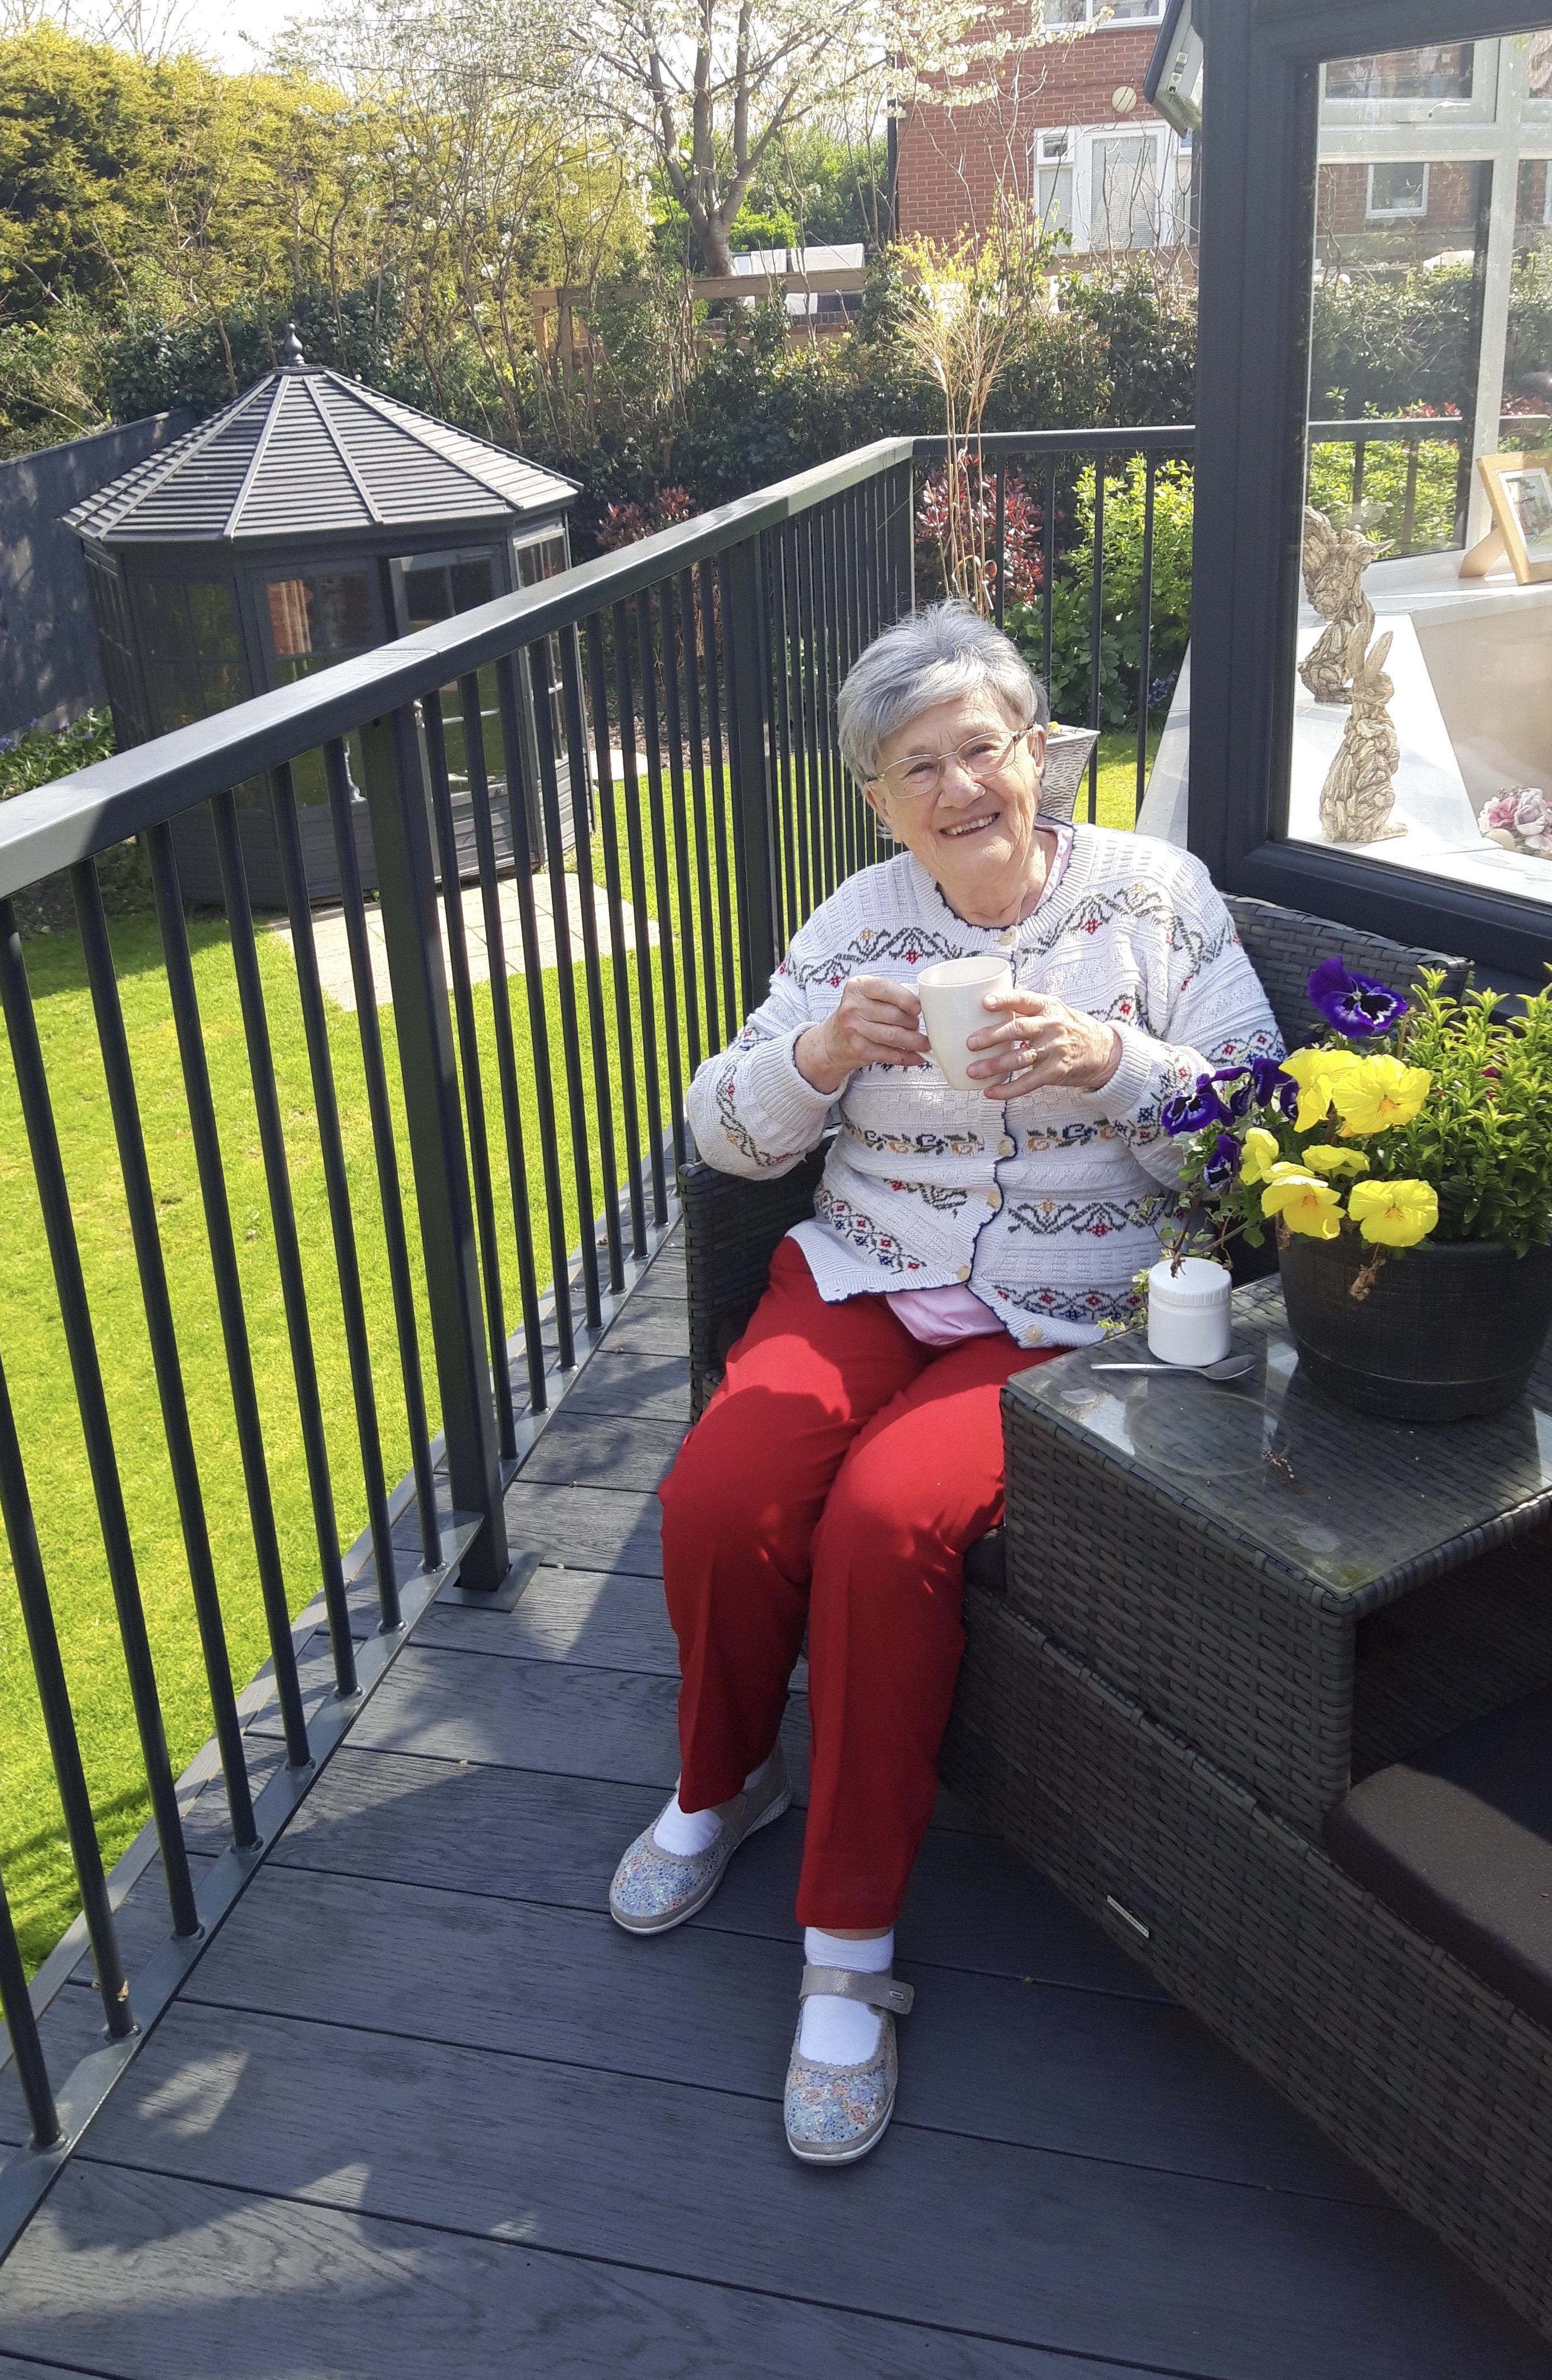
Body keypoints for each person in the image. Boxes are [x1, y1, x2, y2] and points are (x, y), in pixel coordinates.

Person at [607, 600, 1282, 2164]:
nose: (960, 787)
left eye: (982, 747)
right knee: (722, 1492)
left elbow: (1257, 1124)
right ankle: (723, 1783)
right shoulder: (857, 922)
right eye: (918, 767)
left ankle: (848, 1948)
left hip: (1063, 1307)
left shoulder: (1155, 898)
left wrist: (1114, 1064)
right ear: (879, 801)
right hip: (865, 1267)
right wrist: (819, 1058)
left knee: (884, 1527)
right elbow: (725, 1132)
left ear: (1038, 751)